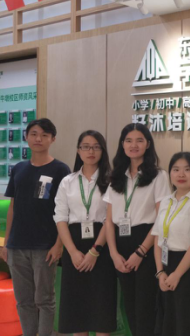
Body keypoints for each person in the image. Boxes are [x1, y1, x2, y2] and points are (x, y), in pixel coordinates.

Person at [0, 118, 71, 336]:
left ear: (52, 139)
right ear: (27, 137)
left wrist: (59, 244)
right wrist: (6, 243)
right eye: (34, 134)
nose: (38, 139)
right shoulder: (18, 169)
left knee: (44, 300)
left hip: (45, 247)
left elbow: (65, 211)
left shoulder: (61, 169)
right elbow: (13, 207)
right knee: (24, 301)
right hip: (16, 246)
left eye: (44, 135)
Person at [104, 123, 171, 336]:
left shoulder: (158, 176)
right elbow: (108, 220)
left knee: (146, 306)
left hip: (147, 243)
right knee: (130, 306)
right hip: (120, 244)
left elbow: (161, 218)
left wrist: (141, 252)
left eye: (139, 140)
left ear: (148, 144)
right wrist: (114, 254)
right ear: (122, 144)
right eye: (129, 141)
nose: (134, 145)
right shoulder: (116, 177)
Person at [54, 130, 117, 335]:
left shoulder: (112, 180)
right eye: (86, 147)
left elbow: (110, 219)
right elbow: (60, 218)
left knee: (102, 307)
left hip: (102, 244)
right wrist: (72, 252)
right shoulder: (68, 181)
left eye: (96, 147)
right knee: (76, 311)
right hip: (74, 244)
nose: (91, 151)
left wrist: (95, 251)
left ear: (103, 151)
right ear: (78, 150)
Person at [152, 152, 190, 336]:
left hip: (189, 268)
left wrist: (177, 275)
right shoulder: (166, 201)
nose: (181, 174)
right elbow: (157, 238)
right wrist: (160, 272)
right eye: (176, 169)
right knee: (169, 322)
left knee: (188, 323)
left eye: (187, 169)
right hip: (166, 265)